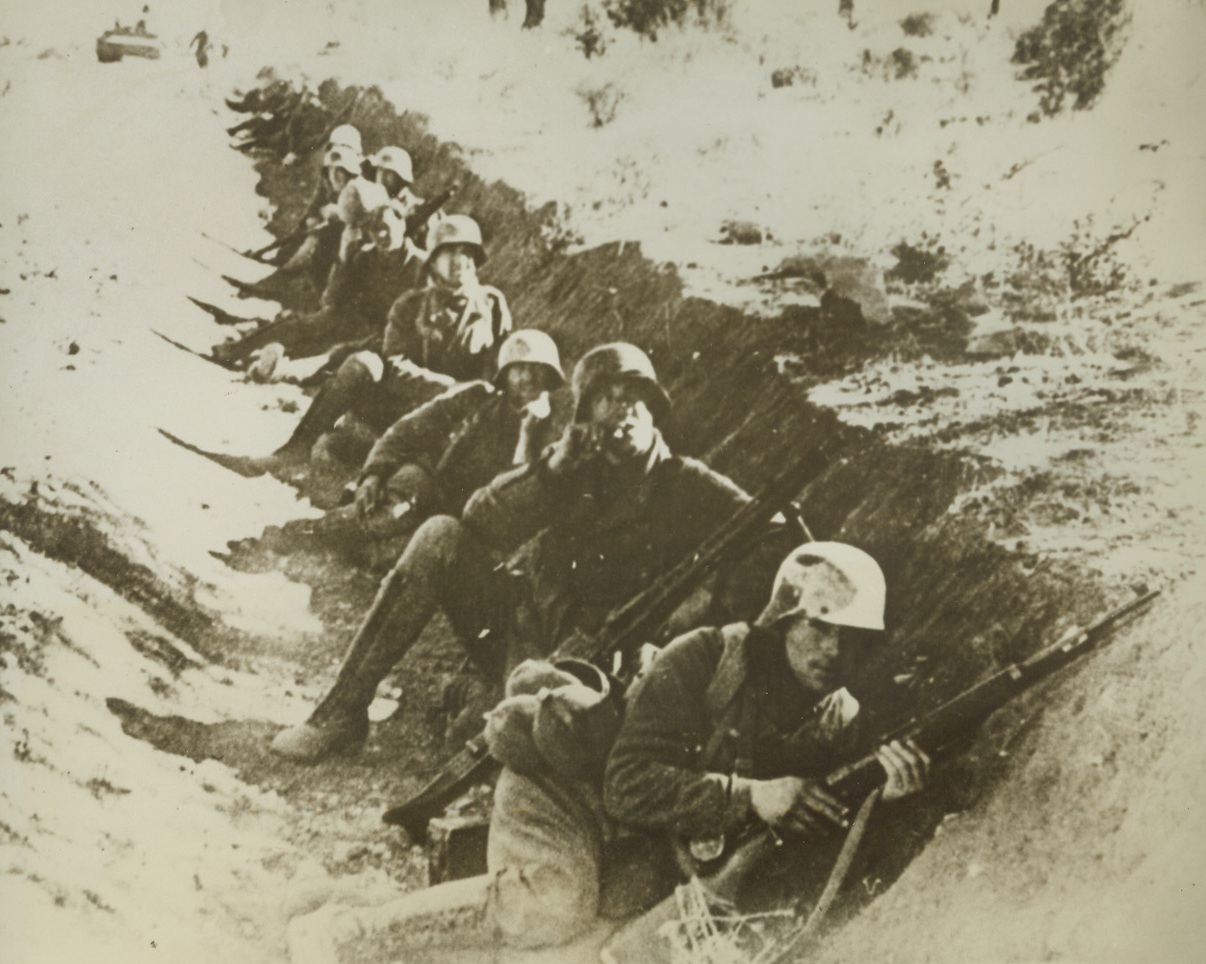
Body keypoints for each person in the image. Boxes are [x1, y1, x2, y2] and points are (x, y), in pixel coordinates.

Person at [270, 342, 782, 763]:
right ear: (587, 415)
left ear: (656, 413)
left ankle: (485, 701)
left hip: (613, 667)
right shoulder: (570, 468)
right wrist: (551, 472)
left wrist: (703, 606)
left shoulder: (689, 484)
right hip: (524, 634)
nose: (622, 412)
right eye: (607, 400)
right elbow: (478, 519)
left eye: (635, 400)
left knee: (490, 741)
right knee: (439, 537)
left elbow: (776, 538)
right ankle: (341, 713)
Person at [600, 541, 929, 959]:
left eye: (854, 638)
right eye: (821, 627)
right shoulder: (702, 661)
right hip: (633, 873)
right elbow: (623, 785)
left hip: (726, 898)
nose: (835, 651)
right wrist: (752, 796)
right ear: (784, 621)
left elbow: (831, 849)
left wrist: (885, 804)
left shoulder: (843, 723)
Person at [275, 329, 568, 560]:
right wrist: (375, 472)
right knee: (386, 516)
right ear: (506, 373)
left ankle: (377, 550)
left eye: (536, 369)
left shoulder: (553, 430)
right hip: (427, 480)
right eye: (519, 368)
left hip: (469, 516)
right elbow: (406, 431)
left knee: (401, 555)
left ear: (550, 375)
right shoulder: (477, 397)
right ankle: (296, 535)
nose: (527, 377)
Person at [254, 214, 512, 469]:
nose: (461, 261)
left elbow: (499, 367)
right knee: (361, 362)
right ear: (433, 261)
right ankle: (298, 448)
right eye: (450, 253)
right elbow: (395, 363)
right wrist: (447, 388)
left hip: (452, 419)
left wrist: (472, 397)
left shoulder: (492, 305)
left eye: (467, 253)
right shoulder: (410, 305)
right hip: (402, 405)